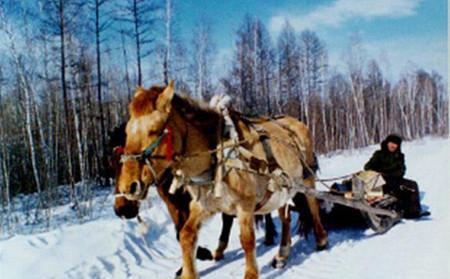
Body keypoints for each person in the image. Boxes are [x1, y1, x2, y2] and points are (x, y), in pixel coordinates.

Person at [364, 134, 430, 219]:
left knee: (412, 185)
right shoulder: (379, 154)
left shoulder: (399, 156)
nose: (393, 146)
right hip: (380, 179)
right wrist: (378, 172)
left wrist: (392, 174)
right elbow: (367, 167)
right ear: (387, 143)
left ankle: (413, 211)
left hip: (395, 179)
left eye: (396, 144)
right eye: (391, 143)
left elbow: (402, 170)